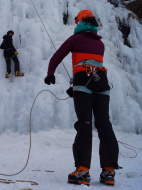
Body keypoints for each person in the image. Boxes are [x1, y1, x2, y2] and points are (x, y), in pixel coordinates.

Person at [44, 10, 119, 186]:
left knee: (84, 124)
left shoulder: (75, 39)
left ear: (79, 23)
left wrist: (50, 74)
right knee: (104, 124)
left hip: (83, 82)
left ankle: (82, 171)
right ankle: (109, 172)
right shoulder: (100, 44)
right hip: (102, 83)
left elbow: (57, 57)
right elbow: (92, 64)